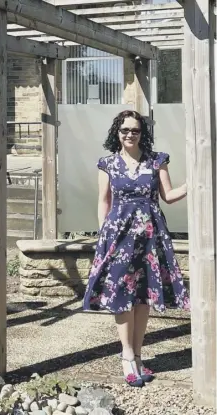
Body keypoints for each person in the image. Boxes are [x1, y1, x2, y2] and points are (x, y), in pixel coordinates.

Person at [82, 110, 190, 387]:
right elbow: (103, 201)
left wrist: (195, 182)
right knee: (121, 294)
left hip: (151, 237)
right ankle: (127, 356)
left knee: (143, 297)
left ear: (143, 133)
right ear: (116, 132)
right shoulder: (108, 163)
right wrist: (103, 236)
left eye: (135, 130)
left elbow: (168, 196)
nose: (130, 134)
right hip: (118, 237)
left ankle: (138, 356)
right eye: (125, 130)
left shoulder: (157, 161)